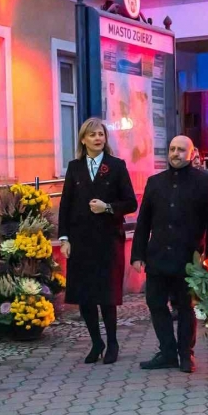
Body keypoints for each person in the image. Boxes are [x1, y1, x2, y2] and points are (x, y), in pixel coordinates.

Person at [131, 135, 208, 373]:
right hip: (157, 256)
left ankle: (186, 354)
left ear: (192, 153)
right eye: (172, 149)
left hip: (188, 257)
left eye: (180, 150)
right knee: (156, 303)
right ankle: (167, 352)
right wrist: (137, 254)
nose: (175, 153)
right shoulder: (155, 182)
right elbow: (143, 222)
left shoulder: (205, 181)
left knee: (186, 307)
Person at [58, 118, 137, 365]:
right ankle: (96, 342)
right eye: (92, 135)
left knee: (106, 295)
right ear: (83, 139)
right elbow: (65, 205)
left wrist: (108, 207)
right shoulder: (75, 167)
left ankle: (112, 343)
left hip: (108, 240)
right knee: (85, 296)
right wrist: (64, 238)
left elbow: (131, 202)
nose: (97, 138)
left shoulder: (116, 166)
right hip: (80, 241)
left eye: (101, 134)